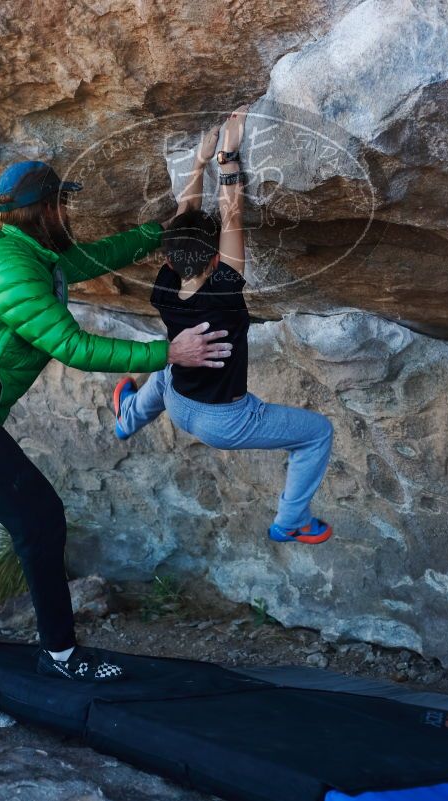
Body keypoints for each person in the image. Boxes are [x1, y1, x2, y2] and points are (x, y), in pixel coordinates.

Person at [0, 160, 232, 682]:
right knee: (38, 519)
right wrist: (167, 353)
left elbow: (88, 259)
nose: (68, 211)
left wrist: (158, 232)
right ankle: (61, 655)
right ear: (45, 209)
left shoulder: (27, 251)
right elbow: (72, 346)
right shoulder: (15, 270)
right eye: (62, 203)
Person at [114, 107, 334, 545]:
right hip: (227, 421)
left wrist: (197, 164)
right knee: (317, 434)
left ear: (169, 260)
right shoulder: (224, 293)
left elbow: (186, 219)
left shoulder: (163, 287)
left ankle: (127, 419)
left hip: (179, 401)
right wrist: (226, 159)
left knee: (167, 365)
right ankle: (291, 521)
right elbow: (231, 219)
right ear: (216, 261)